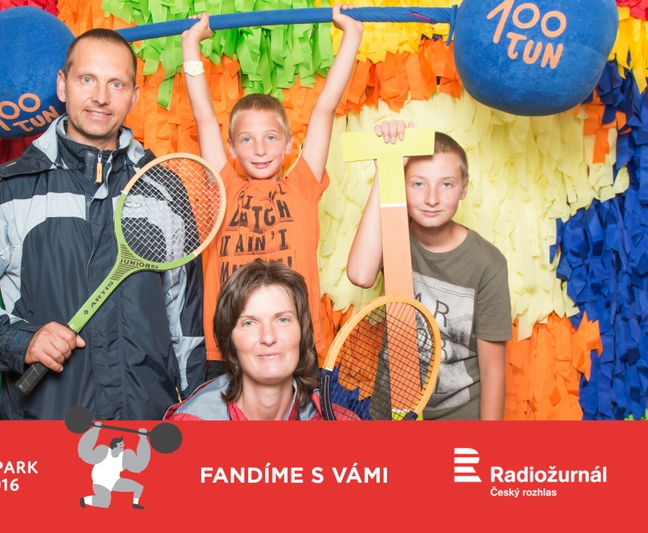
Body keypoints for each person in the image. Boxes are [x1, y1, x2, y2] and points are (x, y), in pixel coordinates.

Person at [0, 29, 206, 420]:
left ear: (134, 96)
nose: (101, 97)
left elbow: (186, 320)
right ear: (63, 85)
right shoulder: (8, 189)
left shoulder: (163, 188)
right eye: (87, 79)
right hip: (45, 423)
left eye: (116, 84)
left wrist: (196, 411)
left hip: (147, 422)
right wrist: (21, 340)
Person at [180, 5, 364, 377]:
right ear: (232, 148)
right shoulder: (223, 185)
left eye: (270, 138)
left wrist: (352, 36)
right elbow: (203, 115)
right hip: (229, 349)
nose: (260, 149)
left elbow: (325, 109)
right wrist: (190, 46)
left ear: (289, 145)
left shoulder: (302, 185)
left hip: (297, 345)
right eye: (247, 139)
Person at [346, 122, 511, 420]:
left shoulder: (488, 263)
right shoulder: (394, 236)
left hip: (458, 417)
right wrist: (387, 167)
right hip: (392, 409)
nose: (432, 198)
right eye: (418, 184)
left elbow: (493, 372)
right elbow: (360, 275)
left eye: (446, 184)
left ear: (464, 188)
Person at [165, 260, 355, 420]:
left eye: (282, 320)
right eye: (249, 323)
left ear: (302, 332)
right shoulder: (188, 426)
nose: (268, 337)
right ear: (229, 340)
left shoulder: (342, 423)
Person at [78, 423, 150, 510]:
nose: (123, 446)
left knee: (138, 487)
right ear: (115, 445)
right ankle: (84, 500)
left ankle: (135, 504)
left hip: (114, 481)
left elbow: (140, 464)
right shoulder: (104, 452)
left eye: (123, 444)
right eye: (121, 444)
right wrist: (95, 430)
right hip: (101, 481)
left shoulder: (124, 457)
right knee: (104, 503)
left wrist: (143, 438)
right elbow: (86, 452)